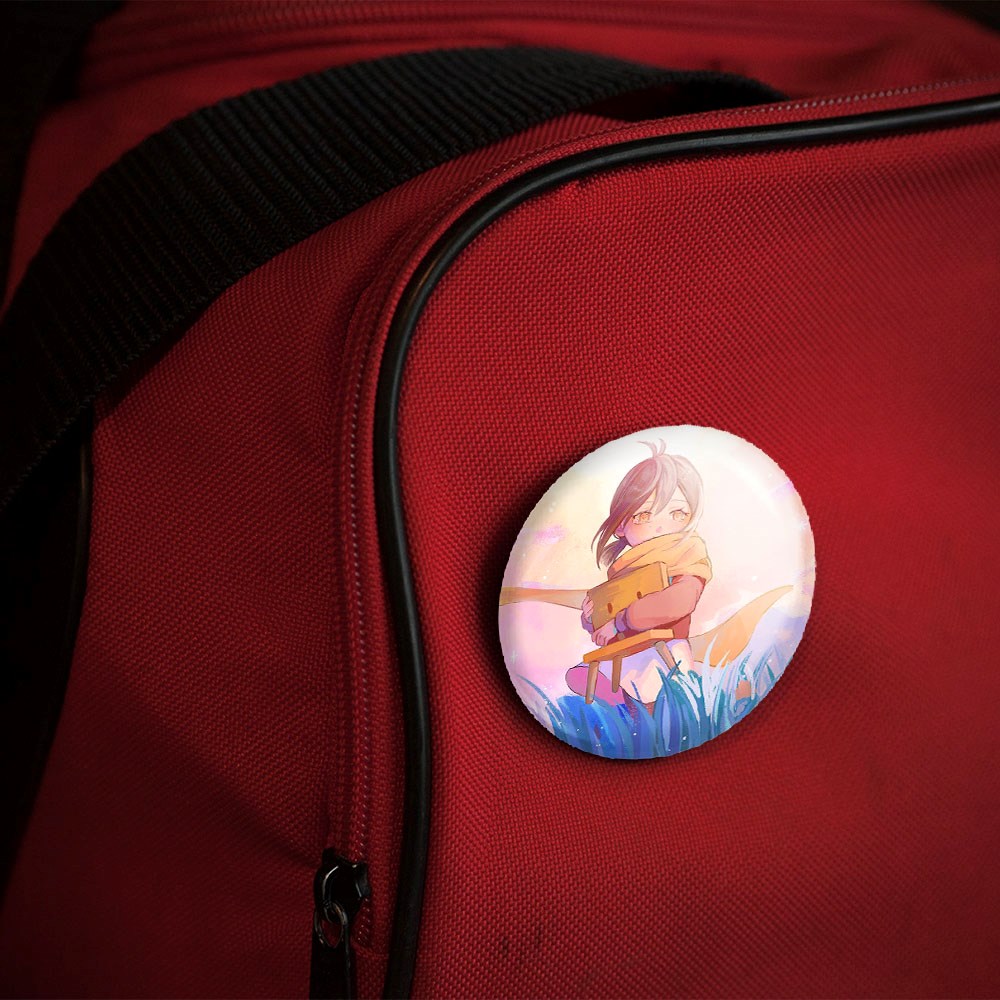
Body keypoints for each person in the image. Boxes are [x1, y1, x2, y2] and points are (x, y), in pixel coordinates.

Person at [565, 441, 712, 717]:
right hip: (626, 649)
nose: (662, 525)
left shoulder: (686, 556)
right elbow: (606, 623)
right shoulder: (625, 570)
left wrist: (620, 621)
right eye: (645, 515)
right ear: (621, 525)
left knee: (667, 695)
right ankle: (627, 707)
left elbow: (679, 601)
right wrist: (591, 618)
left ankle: (642, 710)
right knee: (579, 675)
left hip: (663, 645)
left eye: (678, 513)